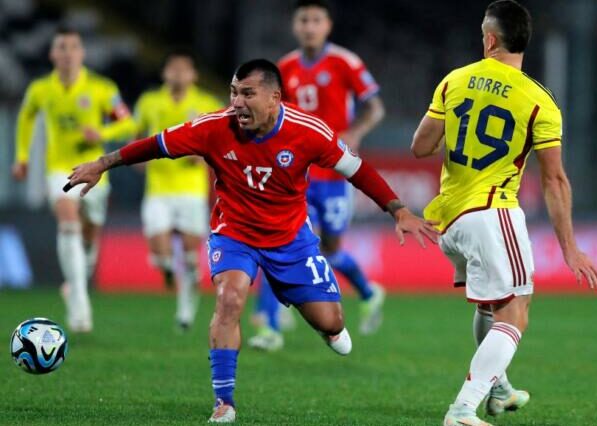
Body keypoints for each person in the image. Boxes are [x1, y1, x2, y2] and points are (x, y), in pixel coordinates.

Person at [65, 59, 438, 423]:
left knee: (333, 324)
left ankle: (305, 305)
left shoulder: (309, 131)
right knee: (229, 300)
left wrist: (399, 210)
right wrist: (102, 163)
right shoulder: (213, 127)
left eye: (247, 93)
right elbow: (154, 145)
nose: (237, 102)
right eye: (233, 92)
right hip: (235, 234)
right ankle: (223, 402)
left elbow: (357, 170)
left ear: (275, 98)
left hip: (291, 239)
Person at [411, 1, 597, 425]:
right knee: (516, 309)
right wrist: (570, 248)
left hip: (450, 219)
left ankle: (499, 390)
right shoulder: (539, 101)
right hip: (492, 211)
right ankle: (462, 409)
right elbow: (554, 180)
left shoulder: (455, 80)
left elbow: (421, 147)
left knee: (491, 308)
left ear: (491, 39)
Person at [249, 0, 387, 351]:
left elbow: (375, 107)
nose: (309, 26)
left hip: (336, 172)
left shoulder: (345, 62)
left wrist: (355, 133)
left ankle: (369, 292)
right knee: (279, 241)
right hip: (296, 174)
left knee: (332, 249)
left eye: (315, 20)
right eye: (303, 20)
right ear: (295, 26)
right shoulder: (284, 68)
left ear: (327, 25)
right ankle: (268, 326)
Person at [12, 27, 134, 333]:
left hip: (93, 170)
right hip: (59, 169)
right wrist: (22, 157)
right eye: (61, 47)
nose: (67, 53)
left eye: (73, 47)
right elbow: (26, 118)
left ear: (82, 53)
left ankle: (80, 273)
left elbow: (127, 123)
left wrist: (102, 134)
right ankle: (80, 304)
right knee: (68, 222)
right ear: (53, 54)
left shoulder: (101, 88)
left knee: (89, 236)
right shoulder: (41, 89)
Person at [133, 51, 223, 330]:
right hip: (158, 189)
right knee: (159, 253)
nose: (178, 74)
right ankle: (168, 271)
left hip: (191, 191)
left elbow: (222, 141)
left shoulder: (206, 103)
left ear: (193, 75)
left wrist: (205, 155)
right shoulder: (149, 102)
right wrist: (140, 160)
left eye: (184, 70)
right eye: (173, 69)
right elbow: (136, 137)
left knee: (189, 254)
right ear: (165, 74)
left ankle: (185, 313)